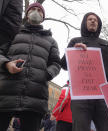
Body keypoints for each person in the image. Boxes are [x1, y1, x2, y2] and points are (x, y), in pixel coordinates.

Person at [0, 2, 61, 131]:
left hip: (36, 98)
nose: (36, 12)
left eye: (39, 11)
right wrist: (6, 64)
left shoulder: (51, 41)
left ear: (43, 17)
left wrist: (46, 74)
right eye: (32, 9)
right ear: (26, 14)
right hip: (6, 94)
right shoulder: (13, 33)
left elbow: (56, 63)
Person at [61, 12, 108, 131]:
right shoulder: (75, 41)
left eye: (95, 20)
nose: (93, 21)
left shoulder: (106, 44)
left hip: (102, 95)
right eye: (89, 19)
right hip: (81, 96)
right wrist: (73, 51)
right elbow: (63, 65)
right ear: (84, 23)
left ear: (98, 25)